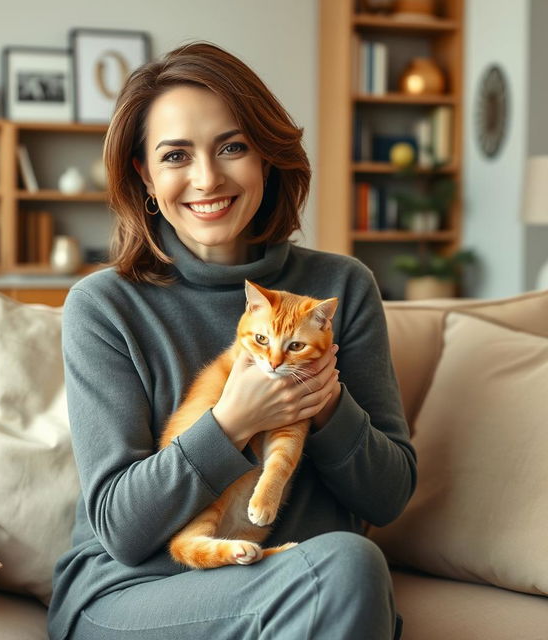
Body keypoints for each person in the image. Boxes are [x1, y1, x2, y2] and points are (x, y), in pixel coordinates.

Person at [48, 41, 416, 640]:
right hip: (132, 593)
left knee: (347, 566)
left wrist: (321, 402)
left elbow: (388, 496)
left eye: (232, 147)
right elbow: (121, 528)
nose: (207, 178)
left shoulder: (339, 288)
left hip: (291, 583)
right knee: (344, 572)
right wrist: (231, 422)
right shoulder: (105, 305)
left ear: (266, 157)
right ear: (144, 174)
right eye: (175, 155)